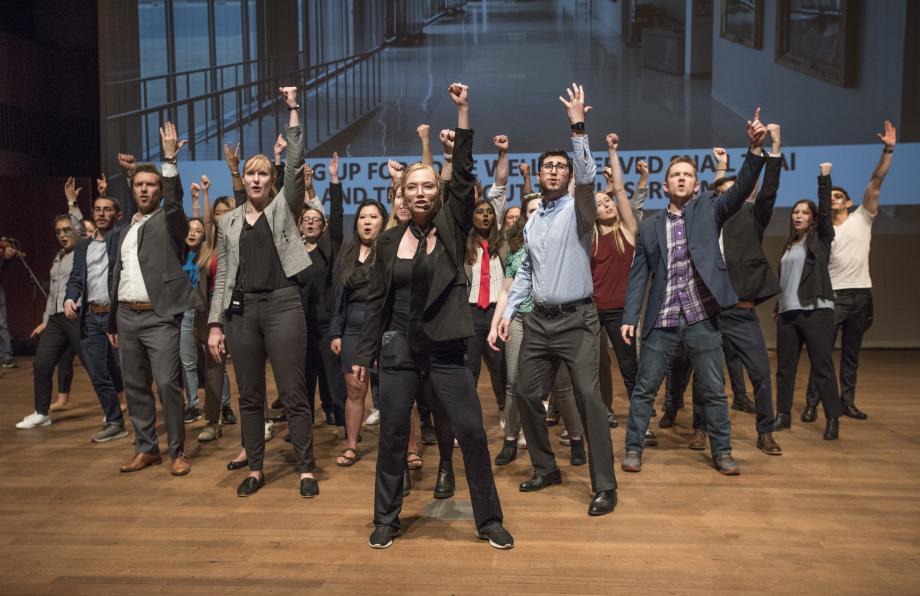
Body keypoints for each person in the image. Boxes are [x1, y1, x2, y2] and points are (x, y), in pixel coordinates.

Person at [353, 83, 512, 550]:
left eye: (428, 186)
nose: (420, 193)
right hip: (398, 348)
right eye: (412, 187)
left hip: (445, 348)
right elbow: (376, 304)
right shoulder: (386, 242)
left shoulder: (450, 227)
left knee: (472, 433)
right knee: (394, 435)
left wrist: (463, 112)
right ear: (400, 196)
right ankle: (386, 518)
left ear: (436, 195)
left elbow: (462, 176)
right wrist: (364, 356)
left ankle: (489, 521)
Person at [620, 107, 767, 476]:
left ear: (697, 185)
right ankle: (633, 448)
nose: (682, 179)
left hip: (701, 318)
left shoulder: (709, 211)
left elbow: (743, 188)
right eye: (675, 175)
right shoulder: (651, 227)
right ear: (665, 185)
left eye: (688, 175)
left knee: (714, 392)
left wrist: (754, 151)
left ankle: (722, 452)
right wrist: (629, 318)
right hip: (663, 319)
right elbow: (639, 276)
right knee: (644, 391)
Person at [497, 83, 617, 517]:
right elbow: (527, 270)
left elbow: (588, 178)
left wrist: (577, 127)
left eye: (559, 167)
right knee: (526, 395)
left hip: (577, 321)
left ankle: (605, 485)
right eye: (546, 166)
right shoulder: (532, 221)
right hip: (540, 322)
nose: (552, 172)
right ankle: (546, 467)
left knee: (588, 398)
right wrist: (509, 313)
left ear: (566, 176)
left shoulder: (579, 209)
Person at [207, 87, 318, 498]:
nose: (256, 178)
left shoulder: (283, 208)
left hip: (283, 304)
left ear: (272, 180)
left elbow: (295, 163)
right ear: (244, 180)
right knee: (249, 395)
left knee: (293, 391)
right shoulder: (229, 222)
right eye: (250, 173)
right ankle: (255, 467)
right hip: (240, 313)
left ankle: (306, 469)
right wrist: (215, 324)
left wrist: (292, 111)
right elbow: (221, 279)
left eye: (262, 173)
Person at [108, 121, 199, 477]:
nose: (145, 190)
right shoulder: (127, 227)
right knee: (134, 387)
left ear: (160, 191)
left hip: (159, 316)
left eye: (151, 186)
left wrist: (169, 161)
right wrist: (114, 321)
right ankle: (146, 448)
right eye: (139, 185)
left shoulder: (169, 220)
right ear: (132, 191)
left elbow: (176, 207)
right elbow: (119, 275)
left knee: (165, 384)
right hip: (128, 317)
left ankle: (177, 451)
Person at [803, 120, 897, 422]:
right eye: (830, 197)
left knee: (851, 355)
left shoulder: (863, 218)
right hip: (833, 296)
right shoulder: (822, 228)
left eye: (838, 197)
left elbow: (876, 180)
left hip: (861, 295)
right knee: (821, 355)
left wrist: (888, 150)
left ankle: (847, 402)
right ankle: (811, 404)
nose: (833, 199)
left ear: (850, 202)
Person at [488, 194, 586, 467]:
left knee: (563, 386)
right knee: (514, 383)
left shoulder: (564, 247)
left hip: (552, 321)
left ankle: (577, 439)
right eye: (530, 211)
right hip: (521, 319)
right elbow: (507, 292)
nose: (534, 214)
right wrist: (497, 323)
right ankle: (510, 439)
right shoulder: (517, 250)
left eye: (539, 209)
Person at [773, 163, 842, 440]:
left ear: (812, 218)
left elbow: (826, 214)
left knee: (822, 367)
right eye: (795, 212)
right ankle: (783, 415)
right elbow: (786, 281)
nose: (798, 216)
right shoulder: (790, 245)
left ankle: (833, 419)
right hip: (789, 314)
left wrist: (824, 179)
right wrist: (779, 307)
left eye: (804, 212)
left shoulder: (820, 240)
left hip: (816, 311)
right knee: (784, 369)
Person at [15, 197, 96, 431]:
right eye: (59, 231)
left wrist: (72, 205)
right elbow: (53, 294)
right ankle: (42, 412)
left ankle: (115, 411)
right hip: (57, 319)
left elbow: (82, 228)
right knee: (41, 364)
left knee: (94, 365)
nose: (62, 234)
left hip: (78, 316)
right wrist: (44, 321)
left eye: (66, 230)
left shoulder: (84, 249)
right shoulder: (58, 257)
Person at [329, 198, 388, 467]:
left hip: (383, 329)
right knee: (355, 391)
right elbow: (337, 297)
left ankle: (404, 448)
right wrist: (335, 333)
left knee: (391, 392)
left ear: (383, 222)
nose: (367, 222)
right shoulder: (347, 251)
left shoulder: (390, 250)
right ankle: (352, 446)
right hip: (351, 330)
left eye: (373, 217)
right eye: (363, 217)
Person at [299, 153, 346, 428]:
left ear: (322, 225)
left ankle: (339, 417)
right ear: (300, 224)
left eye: (317, 219)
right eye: (307, 219)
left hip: (327, 323)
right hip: (301, 324)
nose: (312, 222)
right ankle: (302, 424)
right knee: (305, 376)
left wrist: (334, 180)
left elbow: (337, 217)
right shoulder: (293, 251)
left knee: (331, 374)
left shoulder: (329, 248)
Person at [195, 190, 238, 443]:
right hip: (212, 311)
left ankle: (260, 418)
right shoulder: (207, 247)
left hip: (238, 307)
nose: (221, 218)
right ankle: (213, 420)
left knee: (248, 367)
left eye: (226, 213)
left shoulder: (242, 241)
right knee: (213, 368)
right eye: (218, 214)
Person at [179, 188, 206, 423]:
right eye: (190, 229)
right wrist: (193, 201)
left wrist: (200, 200)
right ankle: (193, 405)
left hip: (198, 312)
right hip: (179, 312)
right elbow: (193, 222)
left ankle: (222, 405)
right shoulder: (180, 254)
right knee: (186, 361)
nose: (193, 233)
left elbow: (205, 222)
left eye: (199, 231)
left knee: (206, 360)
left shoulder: (205, 254)